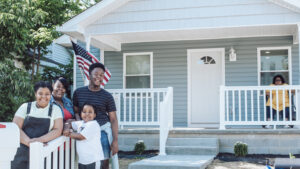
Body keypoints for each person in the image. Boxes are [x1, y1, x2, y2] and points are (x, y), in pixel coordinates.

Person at [73, 63, 118, 169]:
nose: (99, 77)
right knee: (86, 161)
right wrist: (81, 125)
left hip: (102, 131)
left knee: (103, 162)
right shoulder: (78, 92)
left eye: (101, 75)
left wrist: (115, 140)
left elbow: (113, 119)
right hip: (84, 132)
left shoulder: (107, 96)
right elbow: (76, 111)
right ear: (89, 76)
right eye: (96, 74)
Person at [11, 81, 63, 169]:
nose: (43, 97)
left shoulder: (55, 109)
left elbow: (57, 130)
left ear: (51, 95)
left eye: (47, 94)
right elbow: (15, 127)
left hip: (43, 151)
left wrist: (39, 140)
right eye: (40, 93)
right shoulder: (25, 107)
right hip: (21, 151)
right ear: (35, 94)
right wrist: (30, 143)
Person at [63, 103, 103, 169]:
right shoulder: (81, 123)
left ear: (94, 115)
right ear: (81, 113)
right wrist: (66, 128)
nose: (87, 114)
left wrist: (68, 133)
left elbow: (80, 137)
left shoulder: (93, 124)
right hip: (82, 160)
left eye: (90, 112)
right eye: (84, 112)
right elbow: (69, 121)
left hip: (92, 160)